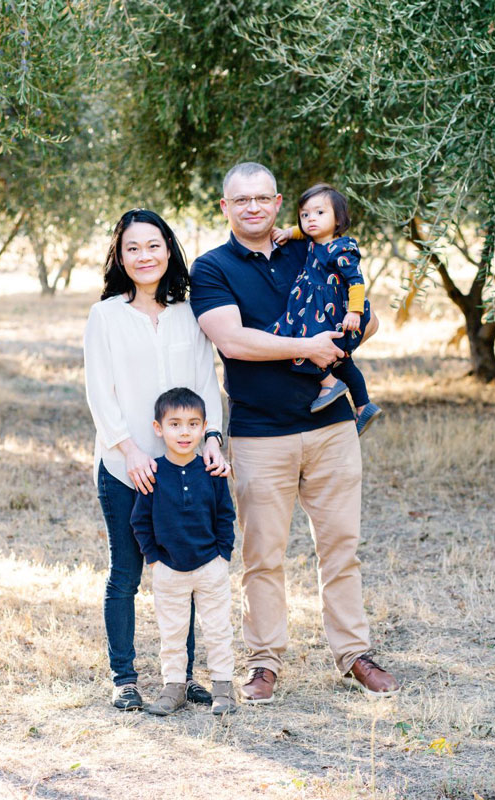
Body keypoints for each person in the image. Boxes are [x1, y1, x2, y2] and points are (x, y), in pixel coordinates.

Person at [190, 162, 399, 703]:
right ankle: (263, 663)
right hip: (260, 435)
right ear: (225, 208)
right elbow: (233, 342)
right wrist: (307, 345)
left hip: (333, 428)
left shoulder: (311, 248)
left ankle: (353, 654)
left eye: (263, 198)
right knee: (263, 554)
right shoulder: (212, 268)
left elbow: (367, 319)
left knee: (341, 548)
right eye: (242, 200)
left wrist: (345, 334)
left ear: (279, 201)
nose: (253, 207)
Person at [84, 208, 228, 711]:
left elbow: (206, 381)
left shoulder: (191, 313)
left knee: (183, 567)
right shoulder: (105, 315)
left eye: (153, 245)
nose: (144, 256)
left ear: (169, 249)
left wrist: (212, 437)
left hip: (183, 468)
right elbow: (100, 393)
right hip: (125, 467)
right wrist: (128, 450)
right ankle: (125, 679)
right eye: (132, 249)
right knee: (126, 573)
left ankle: (180, 678)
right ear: (120, 258)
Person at [131, 387, 237, 717]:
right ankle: (174, 687)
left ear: (204, 428)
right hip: (169, 570)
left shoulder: (210, 470)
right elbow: (140, 521)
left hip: (210, 566)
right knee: (173, 632)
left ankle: (223, 687)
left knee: (218, 629)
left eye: (193, 424)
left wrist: (223, 555)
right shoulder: (153, 472)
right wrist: (154, 560)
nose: (184, 432)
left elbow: (225, 514)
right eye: (175, 424)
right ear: (158, 428)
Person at [269, 183, 382, 435]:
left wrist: (355, 312)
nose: (311, 220)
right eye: (305, 215)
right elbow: (302, 232)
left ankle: (328, 383)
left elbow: (356, 281)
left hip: (331, 311)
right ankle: (364, 406)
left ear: (338, 218)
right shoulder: (312, 239)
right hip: (316, 304)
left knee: (306, 343)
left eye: (320, 213)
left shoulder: (341, 248)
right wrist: (289, 232)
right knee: (342, 359)